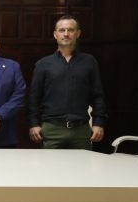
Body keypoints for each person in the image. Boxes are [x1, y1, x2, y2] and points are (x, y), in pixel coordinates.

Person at [28, 15, 107, 150]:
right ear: (55, 34)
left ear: (78, 33)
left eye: (70, 30)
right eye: (62, 30)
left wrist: (98, 123)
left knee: (83, 164)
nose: (66, 34)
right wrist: (33, 124)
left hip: (81, 131)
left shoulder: (89, 61)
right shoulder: (43, 64)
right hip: (51, 130)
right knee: (49, 164)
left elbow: (98, 96)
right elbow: (34, 98)